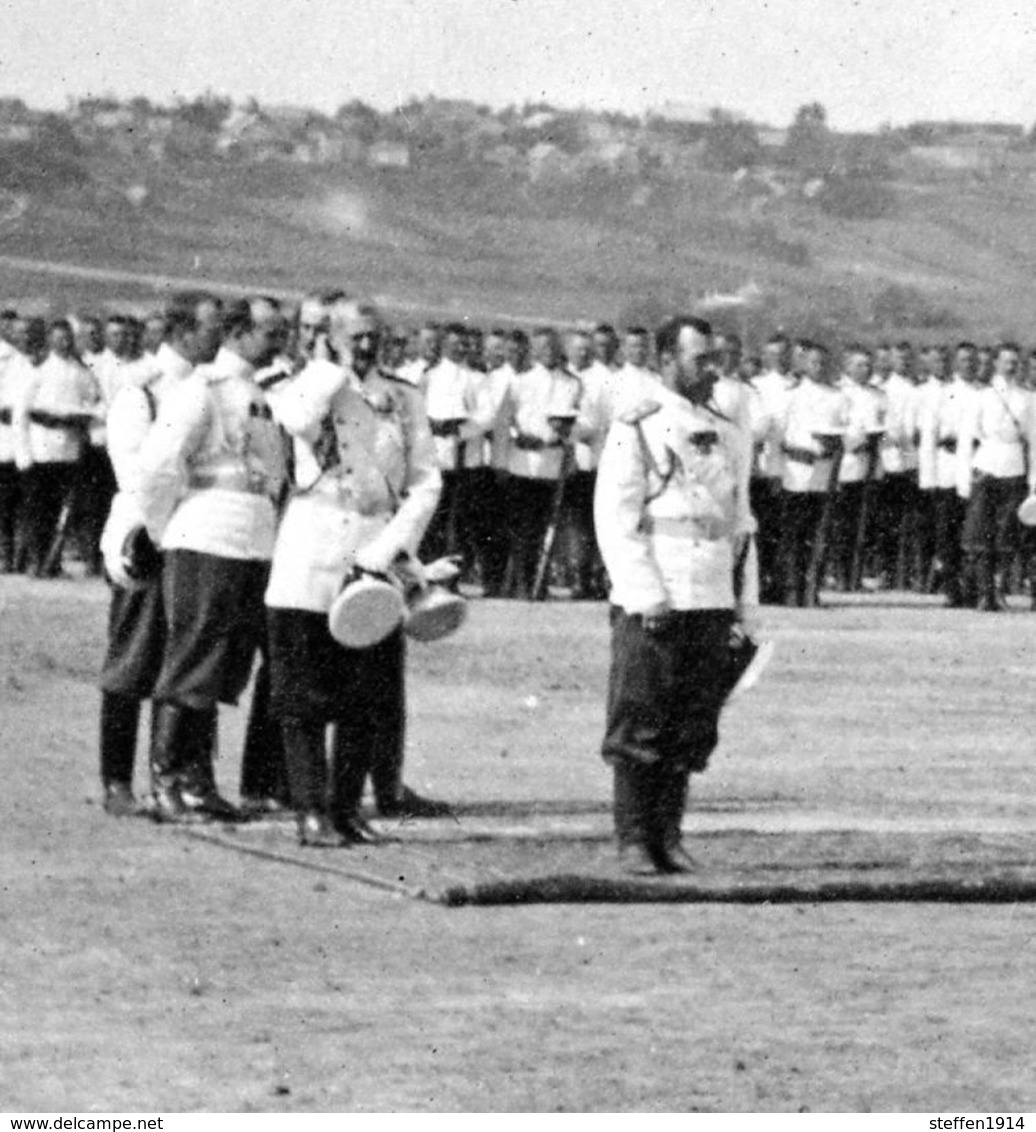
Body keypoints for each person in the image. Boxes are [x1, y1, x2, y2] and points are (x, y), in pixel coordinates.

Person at [264, 298, 443, 845]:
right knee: (303, 696)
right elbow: (294, 418)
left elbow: (426, 481)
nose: (366, 346)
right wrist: (327, 366)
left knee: (368, 694)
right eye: (354, 336)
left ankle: (346, 807)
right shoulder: (304, 384)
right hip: (311, 552)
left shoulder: (403, 397)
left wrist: (389, 548)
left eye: (373, 336)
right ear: (331, 337)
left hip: (374, 550)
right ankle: (311, 809)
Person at [594, 315, 757, 876]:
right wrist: (644, 593)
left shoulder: (728, 429)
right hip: (658, 590)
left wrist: (744, 607)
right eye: (698, 359)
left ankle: (669, 833)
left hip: (710, 591)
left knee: (692, 719)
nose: (712, 369)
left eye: (714, 358)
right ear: (666, 361)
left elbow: (741, 525)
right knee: (641, 713)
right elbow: (615, 520)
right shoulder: (637, 424)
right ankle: (635, 837)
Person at [133, 296, 288, 821]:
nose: (280, 340)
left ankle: (198, 782)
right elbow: (157, 466)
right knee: (192, 660)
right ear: (239, 333)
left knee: (221, 666)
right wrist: (161, 530)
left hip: (250, 541)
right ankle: (167, 783)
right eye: (270, 331)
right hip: (205, 536)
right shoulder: (203, 390)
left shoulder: (258, 394)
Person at [96, 292, 223, 816]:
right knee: (135, 660)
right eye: (212, 328)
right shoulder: (143, 393)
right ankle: (117, 782)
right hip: (149, 540)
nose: (220, 338)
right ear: (183, 330)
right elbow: (137, 477)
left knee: (194, 662)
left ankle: (191, 778)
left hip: (199, 542)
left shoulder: (212, 390)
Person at [12, 319, 102, 577]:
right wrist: (24, 455)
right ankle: (37, 560)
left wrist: (81, 416)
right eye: (58, 338)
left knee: (64, 510)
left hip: (70, 449)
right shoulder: (37, 369)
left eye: (67, 338)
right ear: (50, 340)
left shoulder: (82, 372)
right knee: (40, 509)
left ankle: (54, 561)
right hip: (42, 449)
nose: (64, 343)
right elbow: (21, 413)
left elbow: (95, 403)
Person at [955, 343, 1036, 612]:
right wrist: (963, 479)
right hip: (986, 465)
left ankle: (999, 591)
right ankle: (983, 593)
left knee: (1006, 535)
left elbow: (1034, 443)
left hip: (1014, 467)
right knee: (980, 533)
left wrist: (1034, 481)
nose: (1010, 366)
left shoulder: (1027, 398)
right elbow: (968, 438)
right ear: (996, 363)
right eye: (1005, 361)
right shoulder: (982, 396)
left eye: (1015, 361)